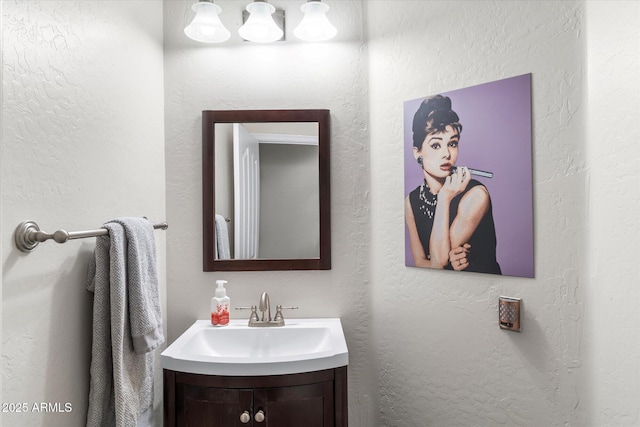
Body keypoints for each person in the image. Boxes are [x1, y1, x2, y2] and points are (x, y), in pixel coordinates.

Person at [405, 95, 501, 274]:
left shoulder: (476, 195)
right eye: (435, 145)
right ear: (417, 153)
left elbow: (438, 261)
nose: (447, 154)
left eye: (452, 143)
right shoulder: (411, 201)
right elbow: (421, 262)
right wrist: (446, 261)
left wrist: (444, 197)